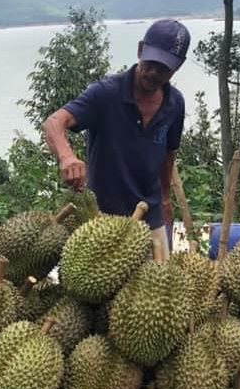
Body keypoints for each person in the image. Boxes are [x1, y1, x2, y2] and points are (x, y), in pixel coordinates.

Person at [42, 19, 190, 260]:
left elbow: (168, 153)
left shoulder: (175, 103)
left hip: (149, 219)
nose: (154, 73)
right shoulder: (106, 93)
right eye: (151, 62)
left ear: (178, 67)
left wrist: (164, 199)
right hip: (100, 219)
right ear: (141, 49)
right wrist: (67, 156)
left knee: (155, 290)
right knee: (100, 295)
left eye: (163, 68)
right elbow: (54, 123)